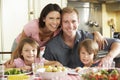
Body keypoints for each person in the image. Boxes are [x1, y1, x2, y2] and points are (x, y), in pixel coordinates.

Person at [43, 7, 120, 68]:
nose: (70, 26)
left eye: (73, 21)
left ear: (78, 22)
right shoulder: (51, 46)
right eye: (66, 22)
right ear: (61, 24)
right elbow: (44, 67)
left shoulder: (88, 37)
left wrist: (109, 57)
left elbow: (117, 42)